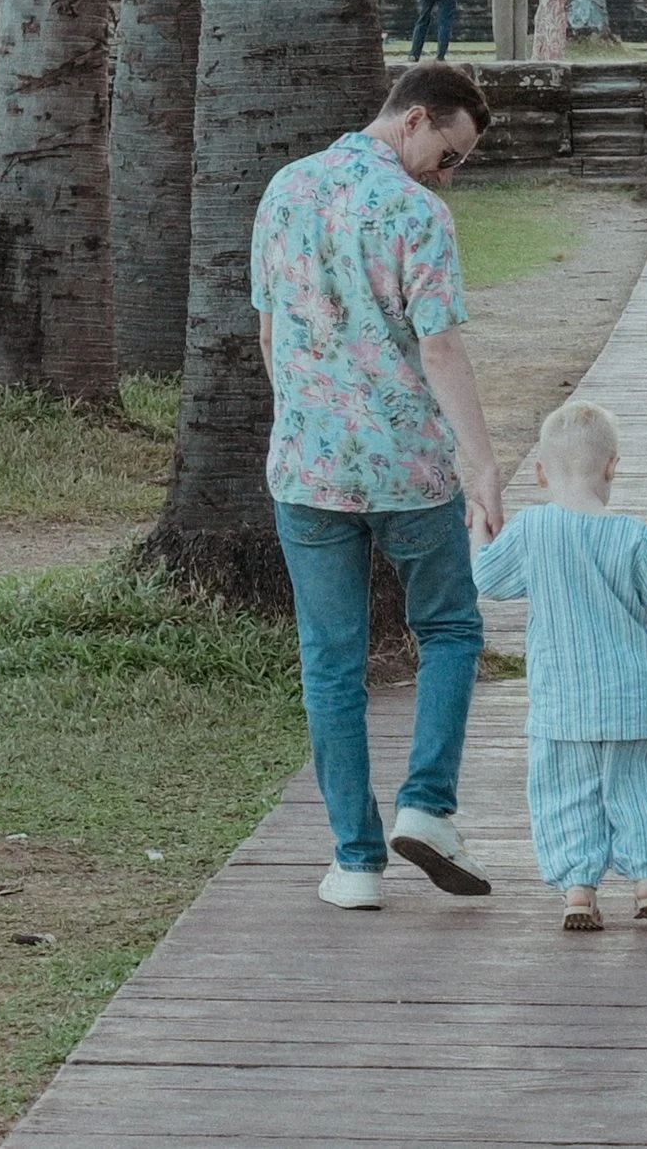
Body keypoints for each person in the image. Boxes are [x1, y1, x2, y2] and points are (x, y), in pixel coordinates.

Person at [251, 62, 506, 914]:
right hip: (409, 468)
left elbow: (270, 327)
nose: (448, 170)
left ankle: (356, 861)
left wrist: (300, 421)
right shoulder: (417, 213)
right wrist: (482, 461)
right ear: (415, 119)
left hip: (308, 470)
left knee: (332, 662)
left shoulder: (285, 190)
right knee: (449, 628)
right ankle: (428, 806)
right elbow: (439, 348)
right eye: (450, 152)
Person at [472, 401, 647, 932]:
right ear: (612, 467)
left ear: (542, 472)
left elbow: (486, 580)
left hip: (561, 702)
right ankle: (646, 884)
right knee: (635, 788)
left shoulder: (533, 530)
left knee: (567, 794)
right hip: (631, 699)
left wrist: (479, 524)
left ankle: (578, 891)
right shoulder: (635, 537)